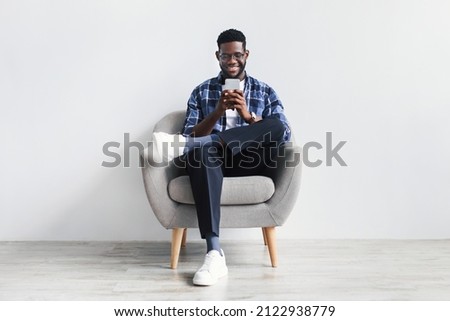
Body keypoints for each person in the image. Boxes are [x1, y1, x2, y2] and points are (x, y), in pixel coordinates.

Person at [152, 29, 290, 286]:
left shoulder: (264, 91)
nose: (232, 61)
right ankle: (214, 253)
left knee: (276, 125)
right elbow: (189, 132)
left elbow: (283, 135)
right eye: (226, 56)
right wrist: (217, 113)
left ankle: (192, 145)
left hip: (252, 161)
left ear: (246, 54)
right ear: (218, 56)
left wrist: (249, 117)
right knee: (200, 150)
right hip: (212, 162)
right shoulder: (202, 91)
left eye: (237, 55)